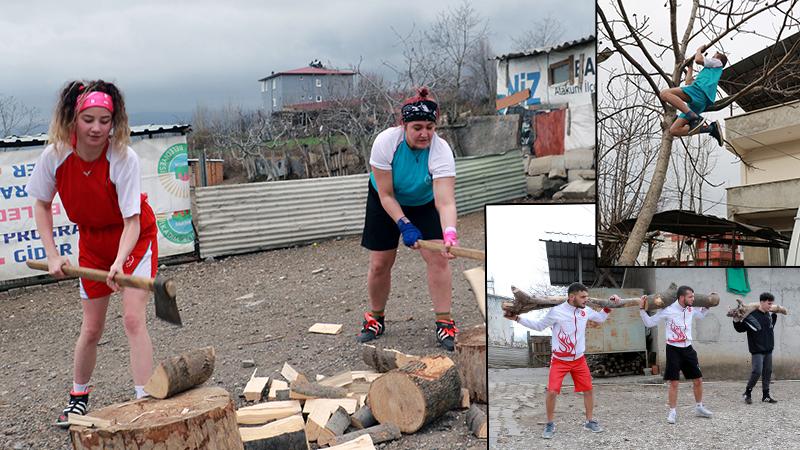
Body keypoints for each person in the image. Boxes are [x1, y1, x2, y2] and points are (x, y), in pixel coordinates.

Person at [26, 80, 158, 427]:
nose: (97, 128)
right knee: (91, 328)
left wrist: (118, 263)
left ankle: (145, 400)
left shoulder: (122, 156)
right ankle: (78, 398)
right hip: (92, 244)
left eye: (105, 120)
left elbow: (131, 221)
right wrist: (53, 255)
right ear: (73, 119)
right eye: (89, 120)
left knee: (132, 319)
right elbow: (41, 205)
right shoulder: (55, 155)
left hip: (132, 239)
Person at [356, 87, 460, 351]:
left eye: (430, 126)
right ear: (403, 125)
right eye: (417, 127)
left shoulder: (441, 150)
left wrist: (449, 232)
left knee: (438, 257)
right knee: (380, 262)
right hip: (386, 198)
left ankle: (444, 322)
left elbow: (445, 200)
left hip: (424, 200)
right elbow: (387, 194)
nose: (424, 133)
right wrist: (404, 224)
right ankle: (375, 318)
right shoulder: (385, 143)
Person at [505, 283, 621, 439]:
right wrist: (517, 318)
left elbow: (600, 318)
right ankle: (550, 424)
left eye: (587, 296)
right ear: (572, 297)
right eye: (583, 297)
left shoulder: (585, 311)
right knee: (552, 391)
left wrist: (609, 306)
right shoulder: (556, 312)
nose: (586, 300)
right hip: (559, 360)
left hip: (579, 359)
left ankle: (589, 421)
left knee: (588, 390)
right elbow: (539, 326)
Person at [638, 285, 712, 424]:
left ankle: (699, 407)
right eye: (691, 297)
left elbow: (701, 316)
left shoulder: (691, 309)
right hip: (673, 349)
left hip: (688, 348)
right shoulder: (668, 310)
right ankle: (672, 412)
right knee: (674, 383)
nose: (693, 299)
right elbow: (649, 323)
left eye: (694, 297)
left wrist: (708, 304)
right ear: (682, 297)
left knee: (698, 380)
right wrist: (642, 309)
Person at [659, 45, 727, 146]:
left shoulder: (718, 63)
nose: (711, 58)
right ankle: (711, 128)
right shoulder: (708, 73)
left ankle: (693, 117)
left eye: (714, 56)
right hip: (698, 103)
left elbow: (698, 59)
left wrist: (699, 50)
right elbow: (688, 82)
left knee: (664, 93)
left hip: (699, 92)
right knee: (674, 130)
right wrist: (690, 67)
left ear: (718, 59)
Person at [733, 292, 778, 404]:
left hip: (768, 349)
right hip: (757, 350)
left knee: (767, 372)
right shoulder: (751, 316)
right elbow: (740, 328)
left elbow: (770, 328)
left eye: (772, 304)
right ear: (762, 302)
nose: (770, 306)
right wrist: (735, 319)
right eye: (769, 303)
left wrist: (775, 314)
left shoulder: (768, 315)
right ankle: (747, 393)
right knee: (757, 371)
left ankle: (766, 396)